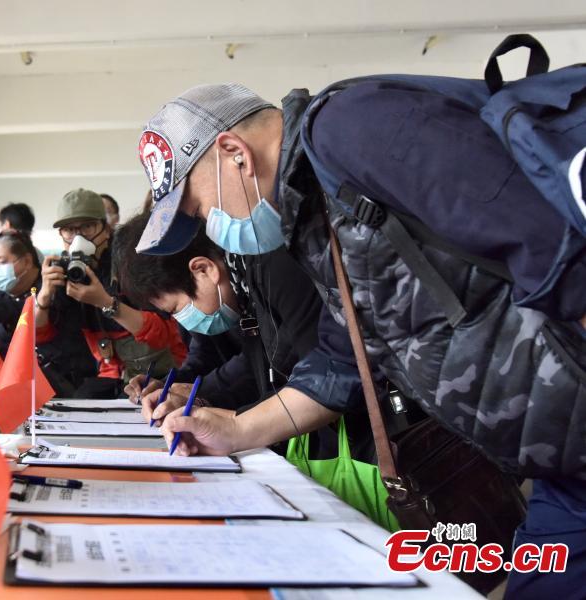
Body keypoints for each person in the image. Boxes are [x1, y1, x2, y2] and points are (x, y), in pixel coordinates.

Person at [136, 83, 585, 595]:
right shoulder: (319, 212)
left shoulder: (351, 128)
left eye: (198, 209)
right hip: (561, 459)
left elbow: (548, 236)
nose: (211, 228)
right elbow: (344, 353)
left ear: (234, 153)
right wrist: (238, 429)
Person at [115, 211, 323, 428]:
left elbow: (278, 366)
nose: (180, 319)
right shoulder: (233, 286)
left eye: (176, 308)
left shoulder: (270, 271)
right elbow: (209, 354)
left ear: (203, 269)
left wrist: (220, 414)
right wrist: (171, 386)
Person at [34, 188, 186, 398]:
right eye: (69, 230)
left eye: (87, 227)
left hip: (163, 369)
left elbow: (162, 335)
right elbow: (41, 337)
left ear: (105, 229)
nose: (78, 237)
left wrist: (104, 302)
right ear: (61, 235)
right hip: (111, 375)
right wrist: (43, 297)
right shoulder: (62, 271)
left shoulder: (131, 260)